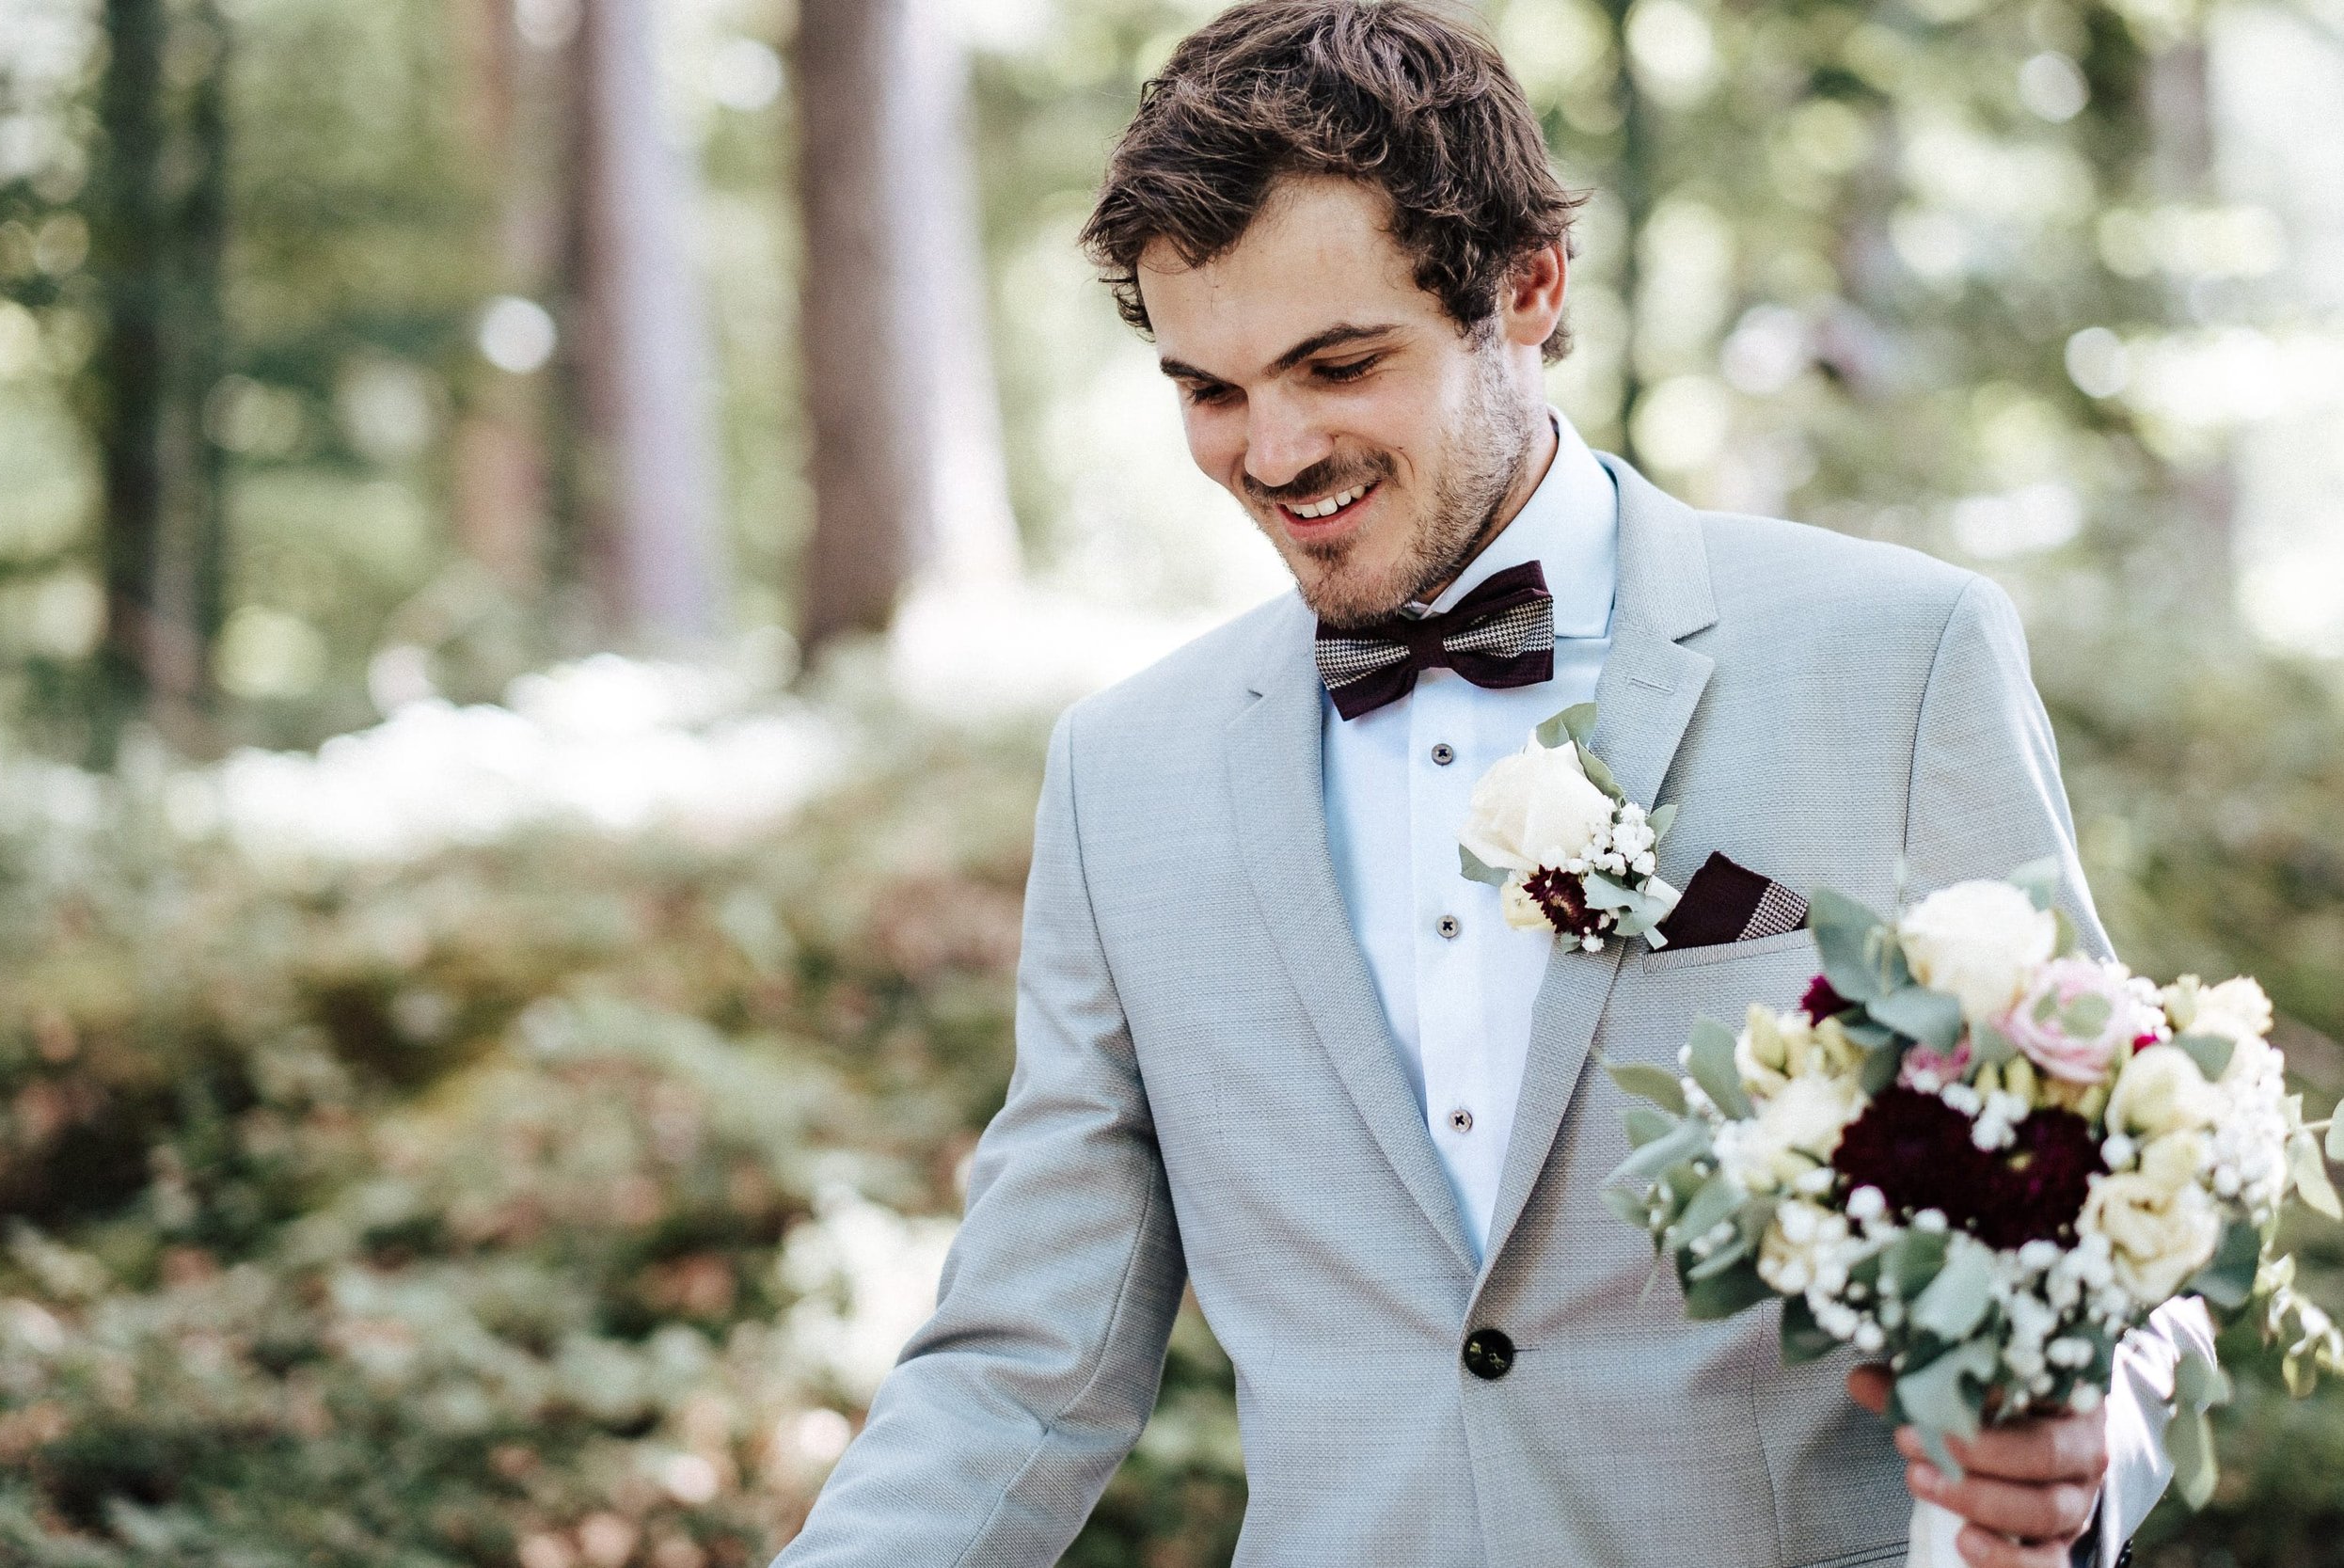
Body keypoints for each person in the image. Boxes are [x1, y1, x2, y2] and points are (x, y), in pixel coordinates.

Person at [775, 4, 2209, 1564]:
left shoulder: (1899, 657)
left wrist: (2076, 1447)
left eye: (1338, 363)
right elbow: (1021, 1364)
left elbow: (2115, 1225)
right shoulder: (1121, 775)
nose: (1274, 450)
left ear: (1526, 289)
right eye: (1211, 390)